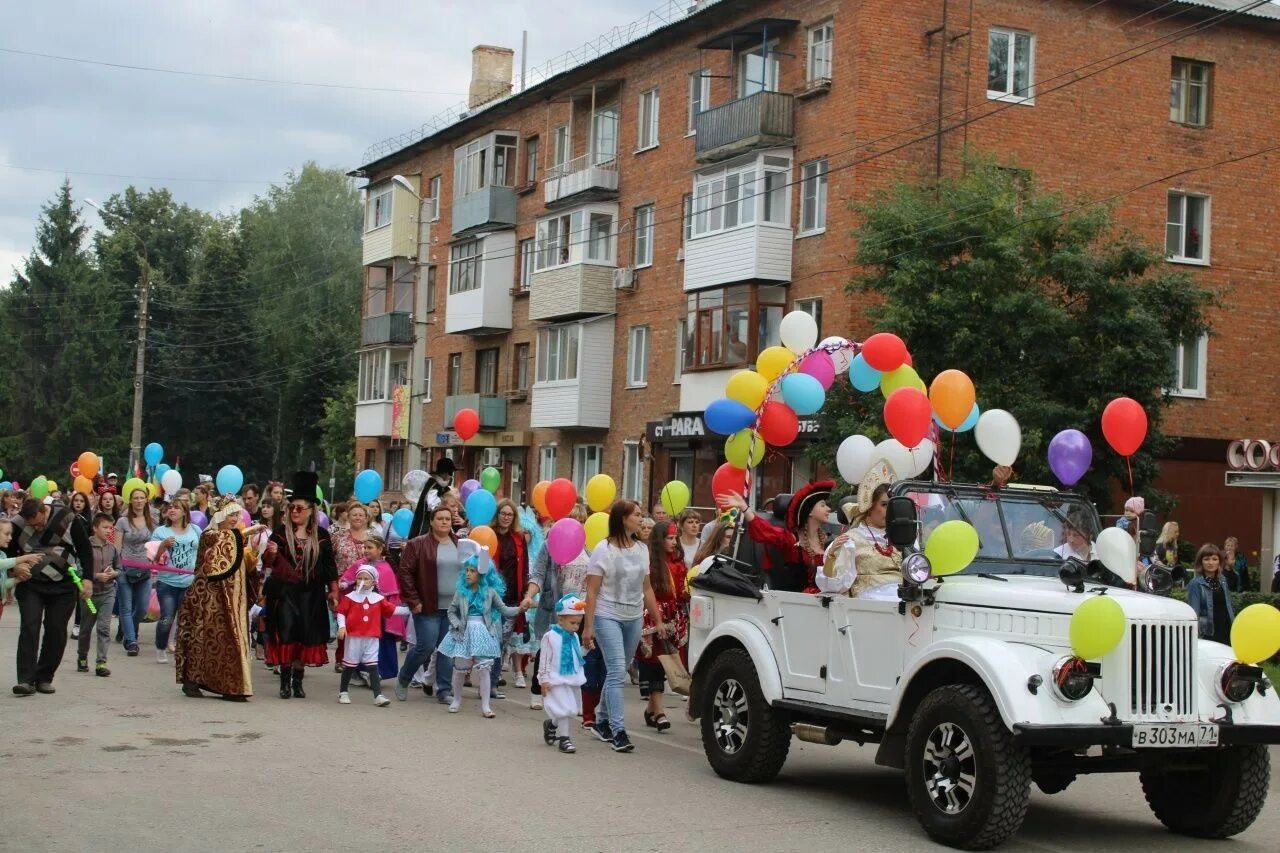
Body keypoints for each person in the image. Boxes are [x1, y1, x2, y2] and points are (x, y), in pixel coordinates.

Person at [581, 500, 670, 753]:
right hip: (607, 615)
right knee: (618, 669)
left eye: (642, 516)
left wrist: (658, 620)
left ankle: (601, 721)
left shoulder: (642, 549)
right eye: (638, 516)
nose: (642, 520)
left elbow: (647, 588)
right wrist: (589, 627)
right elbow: (592, 591)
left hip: (633, 617)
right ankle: (619, 731)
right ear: (623, 519)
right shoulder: (603, 550)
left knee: (616, 673)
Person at [175, 502, 264, 700]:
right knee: (207, 637)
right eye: (230, 515)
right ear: (220, 516)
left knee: (231, 638)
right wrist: (249, 532)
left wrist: (254, 551)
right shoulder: (211, 535)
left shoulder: (236, 537)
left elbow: (243, 565)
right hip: (211, 598)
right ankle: (197, 681)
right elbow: (220, 552)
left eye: (236, 516)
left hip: (234, 598)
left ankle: (231, 685)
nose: (234, 519)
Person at [262, 472, 339, 699]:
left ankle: (298, 680)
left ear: (311, 511)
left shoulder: (322, 536)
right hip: (285, 594)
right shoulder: (280, 534)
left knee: (305, 636)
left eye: (299, 508)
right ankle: (284, 682)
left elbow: (329, 567)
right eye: (292, 507)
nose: (295, 512)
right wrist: (271, 554)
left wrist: (334, 591)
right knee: (286, 634)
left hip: (311, 595)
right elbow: (268, 564)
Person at [7, 499, 96, 695]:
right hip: (31, 584)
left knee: (56, 630)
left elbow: (84, 549)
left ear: (44, 511)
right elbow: (7, 552)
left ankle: (44, 677)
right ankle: (26, 680)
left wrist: (88, 579)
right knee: (30, 626)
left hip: (63, 584)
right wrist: (14, 568)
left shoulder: (67, 518)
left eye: (39, 523)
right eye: (32, 525)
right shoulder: (17, 524)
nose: (37, 528)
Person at [523, 502, 599, 715]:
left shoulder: (587, 549)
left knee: (577, 652)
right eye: (574, 520)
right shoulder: (550, 545)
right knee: (547, 649)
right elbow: (537, 573)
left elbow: (594, 581)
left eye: (582, 521)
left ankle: (572, 697)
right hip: (555, 607)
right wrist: (529, 595)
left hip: (580, 608)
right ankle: (537, 690)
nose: (578, 525)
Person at [438, 540, 525, 717]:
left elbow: (504, 610)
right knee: (460, 668)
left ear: (483, 574)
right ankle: (456, 700)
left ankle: (486, 705)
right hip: (464, 632)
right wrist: (456, 624)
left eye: (472, 571)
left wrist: (521, 608)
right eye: (467, 570)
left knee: (485, 669)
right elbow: (452, 611)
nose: (468, 574)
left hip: (483, 632)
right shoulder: (461, 592)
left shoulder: (490, 592)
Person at [394, 505, 460, 703]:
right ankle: (404, 678)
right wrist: (414, 600)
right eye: (439, 518)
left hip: (452, 607)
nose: (444, 522)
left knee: (447, 649)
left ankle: (444, 690)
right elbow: (405, 573)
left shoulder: (461, 544)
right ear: (431, 522)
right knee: (426, 645)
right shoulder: (418, 544)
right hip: (426, 605)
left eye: (447, 519)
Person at [719, 481, 834, 593]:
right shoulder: (791, 539)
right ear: (809, 512)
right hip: (799, 602)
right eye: (822, 505)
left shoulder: (830, 540)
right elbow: (765, 530)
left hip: (831, 600)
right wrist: (744, 508)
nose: (828, 509)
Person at [819, 463, 901, 599]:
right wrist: (832, 557)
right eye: (884, 504)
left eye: (893, 505)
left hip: (906, 603)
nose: (890, 510)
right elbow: (835, 586)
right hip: (870, 606)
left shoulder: (903, 538)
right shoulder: (851, 540)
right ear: (869, 507)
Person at [636, 521, 689, 731]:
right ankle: (659, 713)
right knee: (653, 662)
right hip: (652, 614)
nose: (674, 542)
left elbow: (682, 590)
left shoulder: (678, 562)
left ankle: (651, 710)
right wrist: (656, 618)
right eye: (669, 538)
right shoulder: (649, 561)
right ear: (659, 540)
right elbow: (646, 591)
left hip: (672, 615)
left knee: (666, 662)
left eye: (675, 538)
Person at [336, 565, 409, 707]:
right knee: (350, 664)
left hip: (372, 637)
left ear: (374, 582)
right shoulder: (350, 598)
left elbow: (392, 610)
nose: (362, 581)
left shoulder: (378, 599)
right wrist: (342, 626)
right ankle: (343, 692)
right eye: (359, 578)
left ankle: (378, 695)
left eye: (366, 578)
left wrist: (409, 611)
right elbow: (341, 612)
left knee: (373, 665)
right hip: (354, 637)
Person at [339, 534, 404, 682]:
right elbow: (349, 577)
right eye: (365, 547)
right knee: (360, 639)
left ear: (380, 549)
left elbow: (390, 591)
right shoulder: (360, 564)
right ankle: (360, 670)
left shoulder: (386, 568)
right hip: (361, 610)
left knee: (379, 641)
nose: (366, 550)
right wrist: (344, 584)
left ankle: (379, 671)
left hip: (379, 612)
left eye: (370, 547)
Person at [150, 501, 201, 664]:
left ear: (185, 512)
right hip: (167, 583)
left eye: (176, 507)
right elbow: (153, 559)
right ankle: (160, 647)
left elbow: (204, 551)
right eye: (170, 507)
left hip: (189, 582)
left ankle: (183, 651)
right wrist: (163, 546)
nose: (172, 510)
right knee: (167, 618)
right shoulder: (160, 531)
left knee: (187, 620)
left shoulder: (195, 530)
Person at [539, 593, 588, 754]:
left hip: (572, 679)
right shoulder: (550, 636)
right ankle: (565, 739)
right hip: (555, 680)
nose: (576, 626)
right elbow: (544, 660)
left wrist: (586, 649)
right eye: (573, 622)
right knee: (565, 709)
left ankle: (551, 724)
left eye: (578, 623)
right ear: (560, 619)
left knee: (570, 709)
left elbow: (577, 656)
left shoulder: (574, 636)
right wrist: (544, 679)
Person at [492, 498, 529, 693]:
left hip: (513, 594)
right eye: (503, 513)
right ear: (496, 515)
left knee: (504, 637)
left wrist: (525, 591)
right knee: (495, 636)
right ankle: (492, 675)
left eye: (510, 514)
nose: (506, 517)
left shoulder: (518, 537)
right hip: (493, 594)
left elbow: (525, 566)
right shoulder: (489, 534)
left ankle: (495, 674)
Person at [77, 513, 120, 677]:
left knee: (104, 628)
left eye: (111, 528)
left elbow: (120, 569)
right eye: (105, 527)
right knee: (86, 629)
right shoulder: (85, 546)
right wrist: (96, 576)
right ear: (95, 528)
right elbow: (80, 570)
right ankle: (82, 657)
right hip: (89, 594)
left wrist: (113, 574)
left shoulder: (113, 548)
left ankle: (101, 662)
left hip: (108, 592)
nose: (109, 531)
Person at [115, 484, 156, 656]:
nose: (139, 501)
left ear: (147, 500)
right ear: (130, 501)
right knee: (125, 607)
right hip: (125, 569)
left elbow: (156, 546)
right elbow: (116, 547)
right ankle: (131, 641)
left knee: (142, 608)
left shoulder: (152, 521)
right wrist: (117, 568)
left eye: (142, 498)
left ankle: (128, 629)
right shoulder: (122, 521)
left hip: (145, 570)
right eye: (136, 498)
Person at [1186, 543, 1235, 644]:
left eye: (1214, 559)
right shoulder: (1196, 583)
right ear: (1201, 562)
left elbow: (1228, 606)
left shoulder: (1223, 580)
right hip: (1208, 633)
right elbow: (1194, 614)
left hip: (1226, 630)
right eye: (1206, 559)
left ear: (1219, 562)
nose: (1211, 562)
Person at [0, 519, 43, 620]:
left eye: (11, 534)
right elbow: (2, 564)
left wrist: (19, 579)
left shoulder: (2, 555)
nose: (10, 538)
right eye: (7, 534)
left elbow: (3, 583)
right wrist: (25, 558)